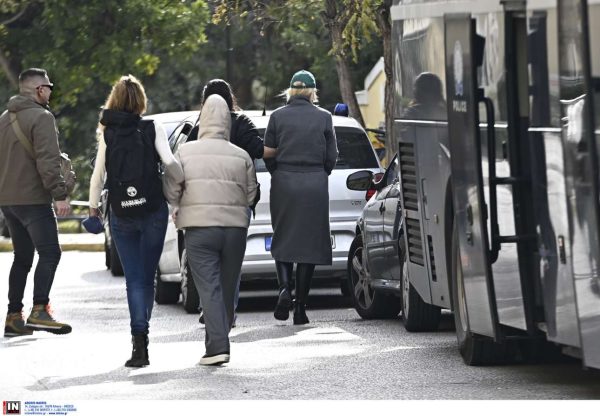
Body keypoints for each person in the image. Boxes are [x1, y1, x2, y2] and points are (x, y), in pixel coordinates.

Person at [88, 75, 183, 368]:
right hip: (152, 211)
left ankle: (138, 342)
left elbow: (97, 175)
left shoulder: (108, 132)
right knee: (148, 275)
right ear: (141, 100)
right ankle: (143, 332)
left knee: (134, 281)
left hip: (122, 215)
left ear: (114, 99)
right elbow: (170, 164)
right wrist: (179, 191)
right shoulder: (152, 126)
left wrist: (93, 209)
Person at [164, 94, 257, 366]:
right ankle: (218, 337)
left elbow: (172, 187)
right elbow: (251, 194)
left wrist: (177, 202)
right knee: (227, 287)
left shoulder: (184, 152)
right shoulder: (241, 155)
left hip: (199, 229)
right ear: (227, 120)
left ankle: (218, 346)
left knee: (209, 288)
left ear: (202, 119)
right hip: (235, 230)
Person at [188, 79, 276, 325]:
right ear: (230, 99)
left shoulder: (199, 127)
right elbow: (258, 151)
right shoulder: (241, 122)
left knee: (207, 263)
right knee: (231, 265)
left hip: (204, 202)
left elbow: (187, 160)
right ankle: (228, 312)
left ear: (206, 102)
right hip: (237, 204)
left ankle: (211, 309)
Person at [0, 68, 72, 337]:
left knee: (22, 258)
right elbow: (48, 160)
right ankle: (40, 309)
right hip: (33, 199)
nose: (51, 92)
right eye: (49, 87)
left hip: (8, 202)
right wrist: (60, 194)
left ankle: (13, 317)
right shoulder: (42, 117)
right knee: (51, 252)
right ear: (39, 89)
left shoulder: (4, 118)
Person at [264, 70, 338, 325]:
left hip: (284, 182)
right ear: (311, 92)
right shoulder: (325, 118)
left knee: (283, 236)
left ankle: (285, 288)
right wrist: (318, 173)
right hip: (314, 184)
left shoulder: (276, 117)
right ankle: (300, 309)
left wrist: (281, 173)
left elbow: (268, 154)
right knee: (308, 246)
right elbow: (332, 157)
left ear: (291, 91)